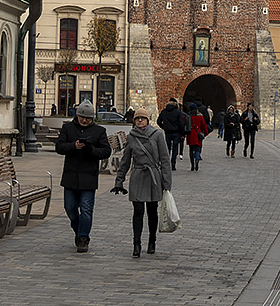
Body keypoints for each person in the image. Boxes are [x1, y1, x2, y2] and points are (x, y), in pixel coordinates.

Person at [111, 106, 173, 258]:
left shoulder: (157, 135)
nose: (139, 120)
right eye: (137, 118)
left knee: (152, 211)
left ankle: (152, 240)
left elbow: (165, 160)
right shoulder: (131, 136)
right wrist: (119, 180)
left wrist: (167, 182)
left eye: (142, 118)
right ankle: (136, 244)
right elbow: (125, 161)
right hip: (138, 176)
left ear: (147, 120)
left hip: (153, 177)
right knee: (138, 212)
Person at [54, 101, 111, 253]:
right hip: (71, 176)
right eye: (81, 117)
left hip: (88, 178)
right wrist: (74, 146)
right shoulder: (68, 128)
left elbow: (106, 151)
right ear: (77, 116)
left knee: (86, 210)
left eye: (88, 118)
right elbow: (59, 147)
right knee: (70, 208)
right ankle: (78, 230)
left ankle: (83, 238)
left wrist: (91, 149)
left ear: (93, 118)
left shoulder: (99, 131)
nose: (84, 121)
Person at [157, 98, 187, 170]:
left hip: (167, 132)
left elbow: (158, 121)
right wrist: (182, 133)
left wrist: (164, 127)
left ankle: (165, 163)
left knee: (167, 148)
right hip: (176, 132)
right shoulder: (178, 112)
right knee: (175, 148)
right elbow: (181, 123)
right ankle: (173, 163)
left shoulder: (164, 111)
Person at [187, 105, 210, 171]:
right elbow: (204, 126)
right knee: (197, 149)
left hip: (190, 135)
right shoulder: (200, 117)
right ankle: (197, 159)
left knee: (191, 150)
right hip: (198, 135)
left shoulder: (189, 117)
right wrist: (205, 133)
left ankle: (192, 165)